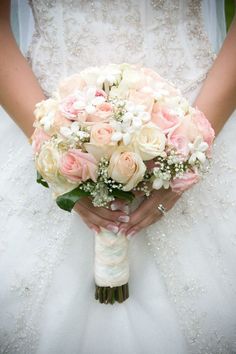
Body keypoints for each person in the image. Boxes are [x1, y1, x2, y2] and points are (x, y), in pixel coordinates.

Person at [0, 0, 235, 353]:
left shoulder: (192, 140)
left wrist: (191, 148)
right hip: (42, 114)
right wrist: (55, 151)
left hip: (197, 113)